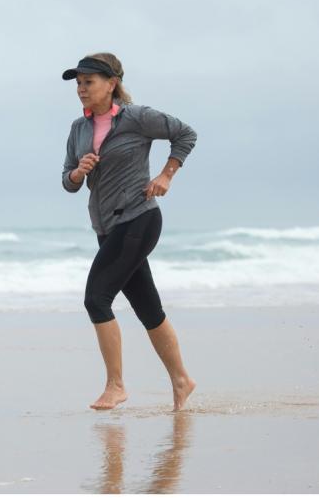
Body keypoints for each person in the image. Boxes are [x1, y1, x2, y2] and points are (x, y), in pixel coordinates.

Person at [61, 52, 198, 412]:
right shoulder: (79, 129)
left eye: (88, 82)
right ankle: (182, 380)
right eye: (78, 83)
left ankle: (116, 385)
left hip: (139, 218)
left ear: (112, 84)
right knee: (148, 308)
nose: (81, 89)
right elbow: (67, 181)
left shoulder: (137, 119)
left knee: (96, 298)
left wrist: (167, 174)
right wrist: (78, 172)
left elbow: (185, 134)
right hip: (106, 226)